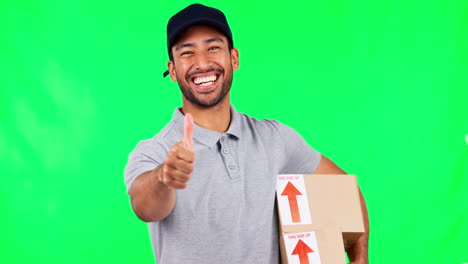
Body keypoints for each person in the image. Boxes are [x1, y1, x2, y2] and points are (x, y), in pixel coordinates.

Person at [124, 3, 369, 264]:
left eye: (213, 47)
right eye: (187, 52)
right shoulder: (155, 151)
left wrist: (360, 256)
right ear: (172, 70)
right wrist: (164, 176)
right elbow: (145, 207)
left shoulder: (275, 139)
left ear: (234, 58)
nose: (203, 62)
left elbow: (345, 190)